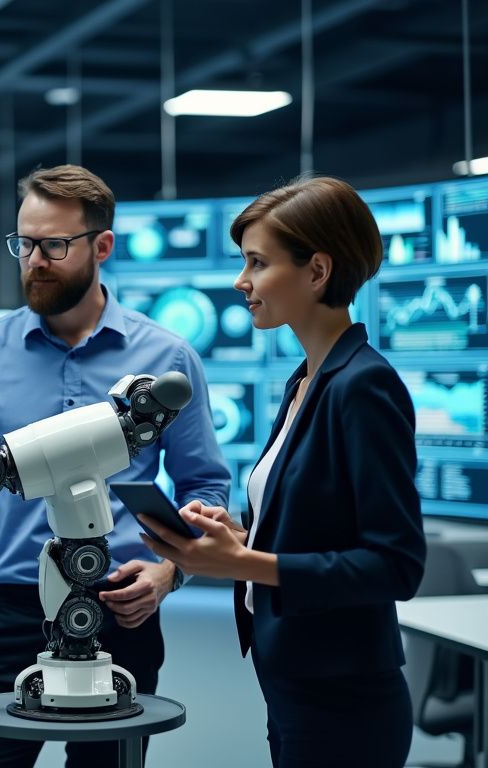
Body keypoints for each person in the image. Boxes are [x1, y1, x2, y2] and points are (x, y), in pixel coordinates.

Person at [0, 164, 231, 768]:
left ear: (101, 246)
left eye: (53, 244)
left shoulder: (165, 359)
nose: (33, 259)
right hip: (4, 609)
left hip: (122, 605)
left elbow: (205, 486)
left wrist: (168, 573)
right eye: (23, 243)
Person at [139, 175, 426, 768]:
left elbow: (395, 565)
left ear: (317, 271)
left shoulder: (363, 385)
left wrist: (243, 564)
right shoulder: (306, 381)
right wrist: (238, 536)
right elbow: (317, 528)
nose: (241, 282)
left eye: (257, 263)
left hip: (345, 694)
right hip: (293, 675)